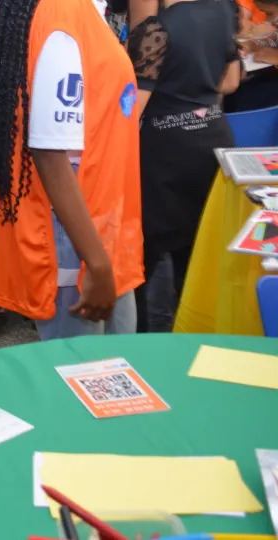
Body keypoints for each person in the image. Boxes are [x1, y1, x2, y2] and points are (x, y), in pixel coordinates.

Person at [0, 0, 144, 340]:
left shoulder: (78, 12)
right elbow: (50, 155)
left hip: (99, 223)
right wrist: (96, 262)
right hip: (76, 234)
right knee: (78, 362)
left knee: (115, 359)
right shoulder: (61, 16)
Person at [128, 0, 240, 332]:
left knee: (146, 257)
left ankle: (148, 342)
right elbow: (230, 82)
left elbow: (133, 110)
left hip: (166, 150)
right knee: (196, 254)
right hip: (214, 139)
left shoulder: (156, 29)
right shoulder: (224, 10)